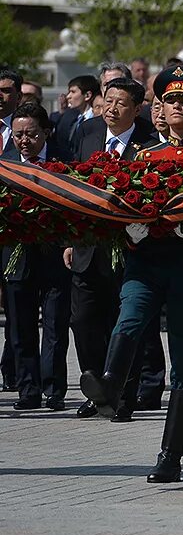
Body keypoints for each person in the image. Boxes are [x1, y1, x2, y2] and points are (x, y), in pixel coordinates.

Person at [79, 65, 183, 483]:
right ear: (161, 108)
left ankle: (171, 454)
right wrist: (129, 228)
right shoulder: (144, 156)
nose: (177, 107)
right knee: (128, 319)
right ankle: (111, 383)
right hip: (146, 260)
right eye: (170, 100)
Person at [68, 77, 165, 420]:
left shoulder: (149, 145)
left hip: (130, 249)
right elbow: (72, 186)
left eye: (121, 103)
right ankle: (94, 388)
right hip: (87, 248)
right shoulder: (88, 132)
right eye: (109, 100)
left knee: (124, 325)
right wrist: (71, 239)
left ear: (137, 109)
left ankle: (123, 393)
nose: (112, 108)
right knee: (82, 321)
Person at [1, 103, 72, 412]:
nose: (24, 141)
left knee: (56, 325)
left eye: (31, 134)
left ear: (46, 132)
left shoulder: (64, 161)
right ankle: (27, 389)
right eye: (18, 135)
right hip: (16, 255)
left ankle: (54, 389)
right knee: (20, 326)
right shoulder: (4, 164)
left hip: (55, 254)